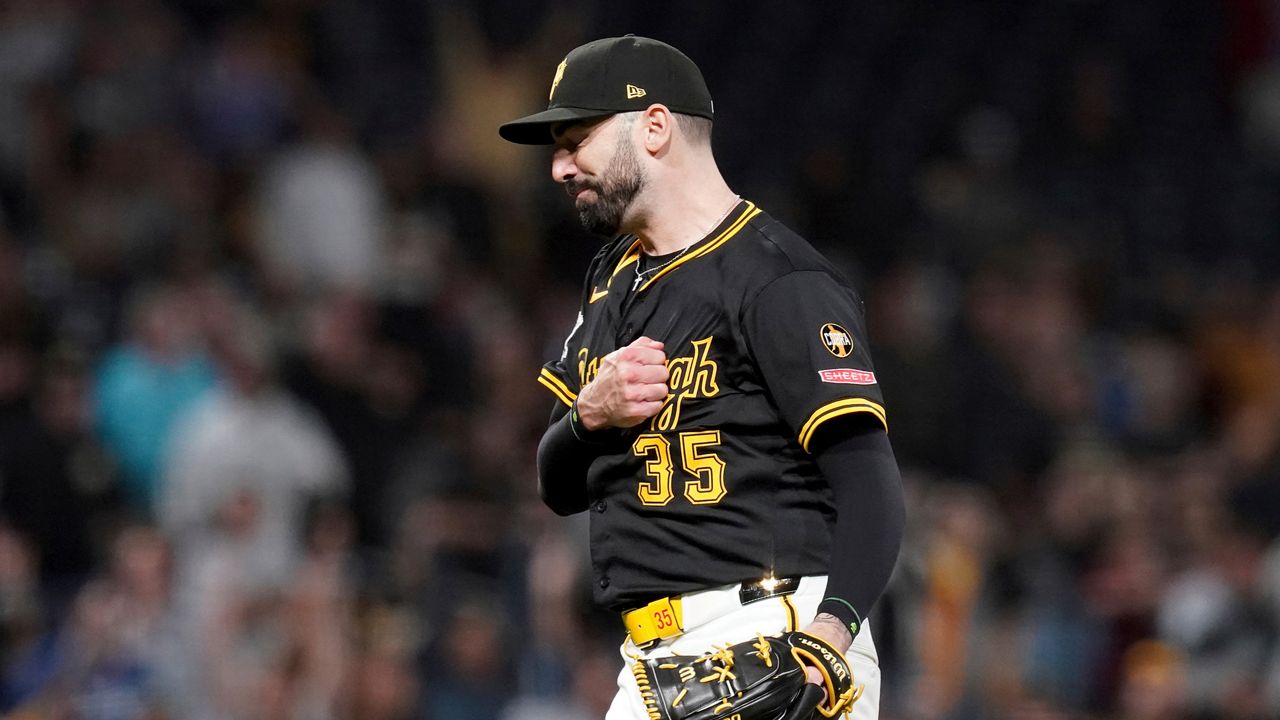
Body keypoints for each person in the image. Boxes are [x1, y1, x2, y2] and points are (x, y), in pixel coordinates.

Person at [501, 35, 905, 720]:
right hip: (649, 661)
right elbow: (556, 483)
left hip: (773, 631)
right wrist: (587, 416)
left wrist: (831, 636)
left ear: (654, 127)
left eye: (577, 138)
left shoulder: (778, 276)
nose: (560, 167)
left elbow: (870, 480)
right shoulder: (612, 279)